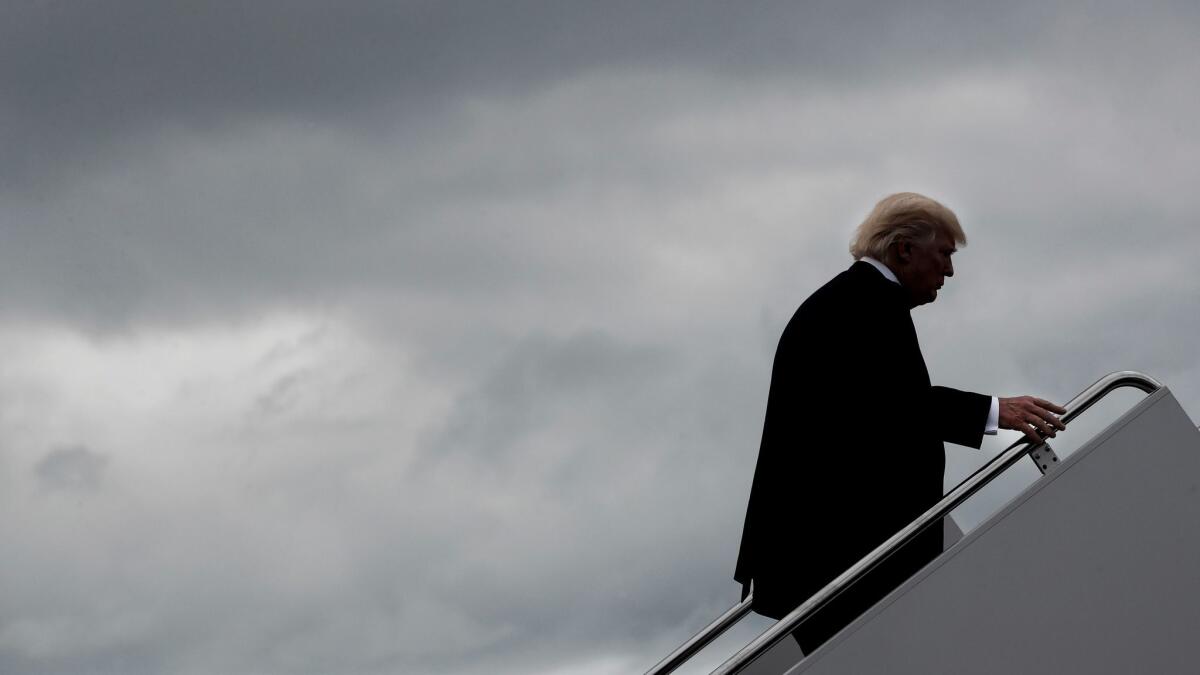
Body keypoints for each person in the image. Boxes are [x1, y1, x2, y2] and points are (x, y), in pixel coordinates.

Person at [734, 192, 1066, 654]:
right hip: (840, 554)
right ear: (905, 250)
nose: (949, 271)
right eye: (944, 254)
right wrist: (994, 411)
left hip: (825, 553)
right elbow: (892, 405)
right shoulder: (865, 302)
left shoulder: (853, 299)